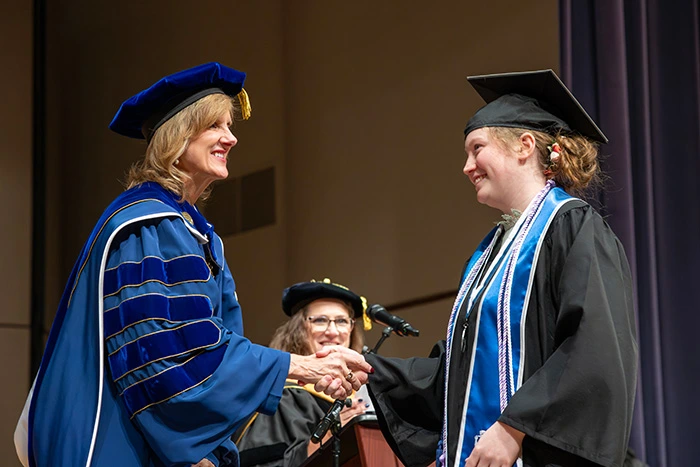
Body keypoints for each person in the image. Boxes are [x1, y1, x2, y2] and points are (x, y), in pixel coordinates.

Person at [14, 62, 372, 467]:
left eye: (230, 126)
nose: (231, 138)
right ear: (178, 136)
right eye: (215, 126)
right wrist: (299, 365)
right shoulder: (146, 225)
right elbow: (164, 358)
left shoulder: (194, 233)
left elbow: (209, 347)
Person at [365, 70, 638, 467]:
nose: (467, 166)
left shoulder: (574, 229)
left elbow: (593, 347)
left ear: (524, 146)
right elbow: (459, 370)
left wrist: (513, 427)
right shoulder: (488, 255)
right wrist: (369, 370)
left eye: (476, 149)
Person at [235, 278, 370, 467]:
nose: (332, 331)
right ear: (299, 329)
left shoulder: (364, 395)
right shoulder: (281, 397)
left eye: (341, 321)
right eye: (320, 320)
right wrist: (329, 436)